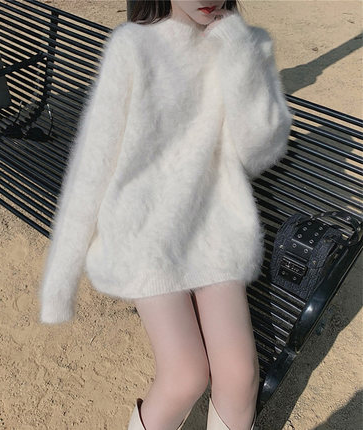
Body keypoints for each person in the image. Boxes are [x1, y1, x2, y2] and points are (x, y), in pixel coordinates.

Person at [38, 0, 292, 429]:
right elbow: (93, 164)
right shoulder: (133, 46)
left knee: (240, 375)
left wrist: (237, 51)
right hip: (143, 233)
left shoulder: (246, 44)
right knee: (186, 375)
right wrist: (59, 282)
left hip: (213, 231)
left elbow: (258, 152)